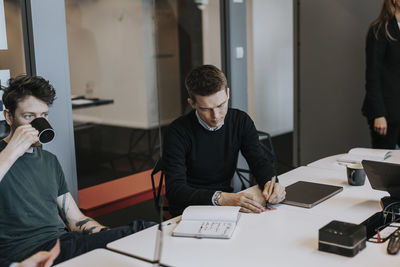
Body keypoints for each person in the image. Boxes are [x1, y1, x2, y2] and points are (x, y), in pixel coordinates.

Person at [0, 75, 154, 264]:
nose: (39, 123)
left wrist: (107, 235)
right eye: (29, 116)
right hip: (26, 253)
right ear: (8, 116)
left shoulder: (49, 161)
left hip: (64, 244)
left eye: (44, 115)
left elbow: (74, 219)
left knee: (144, 232)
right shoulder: (3, 157)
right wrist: (13, 150)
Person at [163, 65, 286, 216]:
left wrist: (271, 183)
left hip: (227, 204)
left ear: (228, 94)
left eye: (221, 105)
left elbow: (259, 162)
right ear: (192, 103)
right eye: (206, 109)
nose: (216, 116)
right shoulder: (177, 132)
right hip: (188, 210)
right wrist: (221, 198)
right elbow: (176, 190)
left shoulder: (240, 121)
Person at [362, 0, 400, 149]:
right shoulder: (379, 30)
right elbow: (372, 75)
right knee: (385, 167)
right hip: (386, 114)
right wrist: (379, 114)